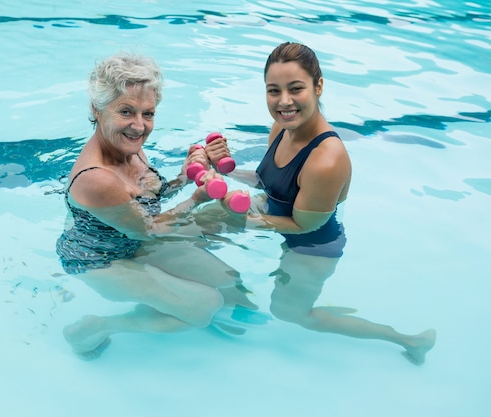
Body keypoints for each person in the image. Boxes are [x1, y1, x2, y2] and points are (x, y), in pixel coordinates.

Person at [203, 42, 436, 365]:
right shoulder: (282, 127)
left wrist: (243, 218)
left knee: (289, 313)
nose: (284, 102)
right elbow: (268, 181)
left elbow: (305, 225)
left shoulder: (326, 160)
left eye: (295, 88)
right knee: (201, 222)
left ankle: (407, 339)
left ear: (319, 86)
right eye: (274, 91)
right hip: (281, 217)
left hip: (312, 246)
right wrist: (222, 169)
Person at [56, 52, 254, 360]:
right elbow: (150, 230)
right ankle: (97, 327)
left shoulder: (127, 148)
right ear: (97, 108)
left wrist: (185, 176)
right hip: (99, 260)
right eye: (126, 112)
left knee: (228, 284)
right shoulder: (97, 178)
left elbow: (151, 197)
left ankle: (160, 299)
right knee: (205, 306)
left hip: (131, 238)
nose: (139, 126)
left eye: (148, 114)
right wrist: (196, 198)